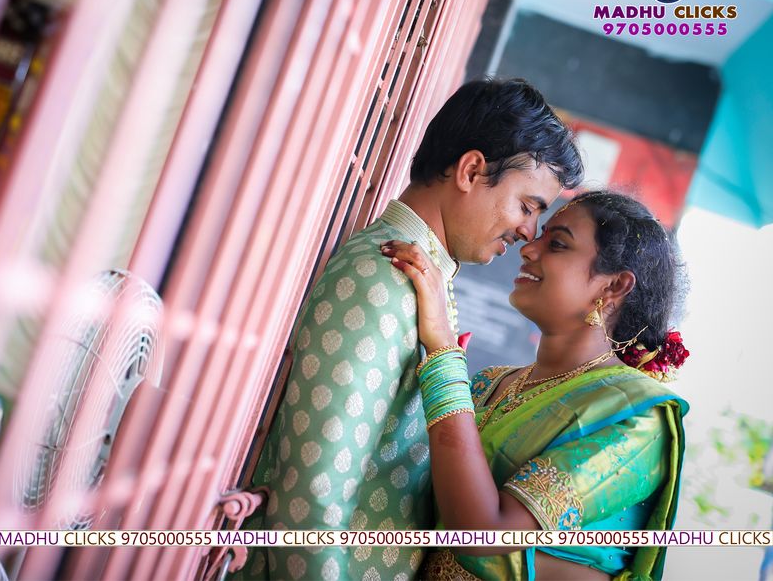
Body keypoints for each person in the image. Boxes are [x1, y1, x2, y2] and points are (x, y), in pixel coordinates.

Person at [238, 78, 584, 580]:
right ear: (471, 171)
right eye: (527, 206)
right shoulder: (382, 277)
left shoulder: (420, 284)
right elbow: (311, 503)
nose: (529, 232)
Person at [385, 190, 689, 580]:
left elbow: (484, 535)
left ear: (614, 287)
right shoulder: (487, 384)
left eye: (558, 244)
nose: (528, 250)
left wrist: (443, 349)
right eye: (540, 236)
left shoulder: (638, 421)